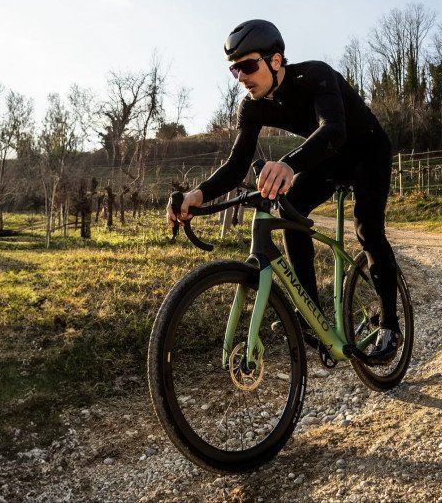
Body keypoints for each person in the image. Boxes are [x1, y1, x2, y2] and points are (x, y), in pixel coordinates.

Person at [166, 19, 402, 360]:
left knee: (367, 226)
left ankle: (390, 325)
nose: (242, 77)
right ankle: (312, 318)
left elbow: (333, 129)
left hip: (367, 150)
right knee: (289, 208)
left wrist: (289, 164)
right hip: (329, 159)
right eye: (235, 70)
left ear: (275, 61)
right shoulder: (252, 105)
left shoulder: (316, 76)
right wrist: (195, 195)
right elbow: (237, 164)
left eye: (248, 66)